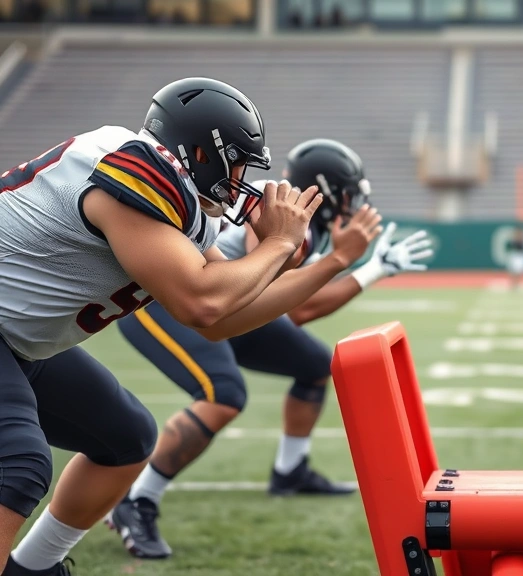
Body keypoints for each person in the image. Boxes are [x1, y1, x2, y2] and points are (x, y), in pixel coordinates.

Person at [0, 76, 384, 575]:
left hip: (18, 340)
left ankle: (34, 569)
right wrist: (279, 245)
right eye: (239, 162)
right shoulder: (133, 167)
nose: (243, 177)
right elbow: (199, 304)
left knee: (126, 438)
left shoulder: (181, 200)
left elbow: (222, 320)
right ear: (203, 155)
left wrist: (315, 262)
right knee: (18, 463)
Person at [106, 138, 433, 560]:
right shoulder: (277, 214)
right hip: (168, 302)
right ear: (328, 189)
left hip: (226, 303)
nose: (352, 206)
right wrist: (366, 269)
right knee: (222, 395)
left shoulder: (305, 226)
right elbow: (291, 304)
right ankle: (137, 500)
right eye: (348, 194)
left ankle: (290, 470)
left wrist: (360, 267)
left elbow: (283, 309)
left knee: (316, 365)